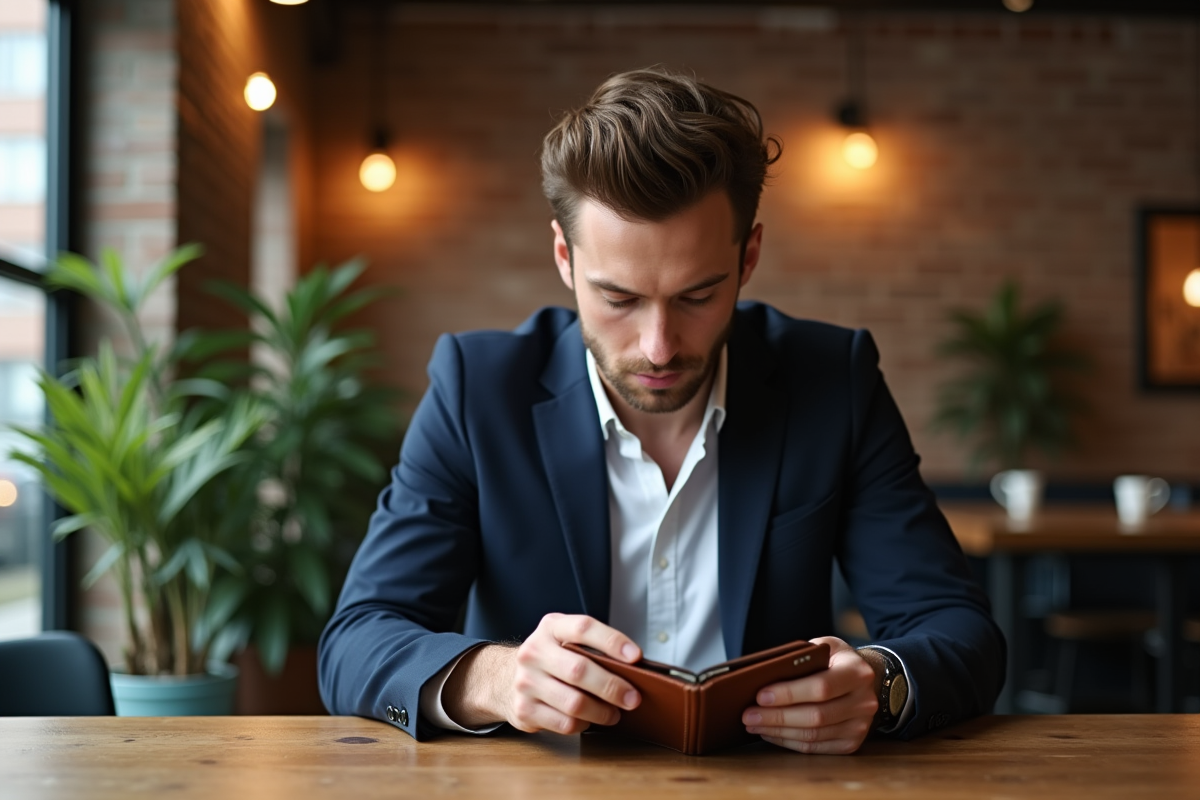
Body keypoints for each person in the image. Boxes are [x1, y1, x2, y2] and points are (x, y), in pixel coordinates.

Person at [318, 68, 1005, 755]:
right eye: (618, 299)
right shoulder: (478, 390)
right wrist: (493, 679)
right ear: (565, 257)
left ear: (749, 257)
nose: (658, 346)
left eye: (698, 295)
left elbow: (958, 630)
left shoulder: (834, 381)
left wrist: (882, 682)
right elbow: (359, 638)